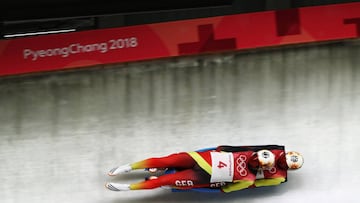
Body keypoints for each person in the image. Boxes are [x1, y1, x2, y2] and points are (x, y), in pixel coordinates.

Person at [105, 145, 303, 193]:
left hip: (203, 176)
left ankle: (127, 188)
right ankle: (128, 167)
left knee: (162, 182)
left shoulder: (249, 179)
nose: (254, 162)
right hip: (200, 158)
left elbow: (225, 189)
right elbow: (221, 148)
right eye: (255, 159)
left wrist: (200, 187)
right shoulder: (250, 152)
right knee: (164, 159)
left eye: (257, 164)